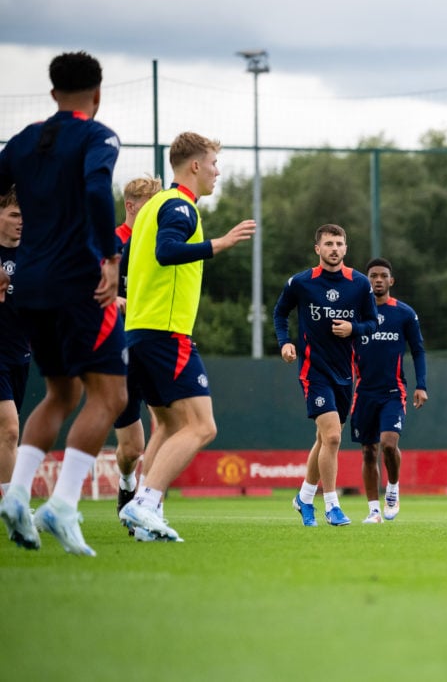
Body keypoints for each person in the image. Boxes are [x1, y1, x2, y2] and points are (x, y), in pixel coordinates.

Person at [0, 52, 126, 556]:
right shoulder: (98, 136)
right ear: (96, 95)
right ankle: (62, 504)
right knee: (111, 396)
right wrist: (111, 257)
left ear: (52, 93)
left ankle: (14, 497)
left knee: (60, 394)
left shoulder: (23, 139)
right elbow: (97, 189)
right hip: (80, 285)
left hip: (29, 287)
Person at [117, 131, 256, 542]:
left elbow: (132, 262)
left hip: (139, 331)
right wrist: (220, 243)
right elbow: (167, 251)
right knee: (202, 427)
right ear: (194, 165)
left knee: (170, 424)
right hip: (165, 332)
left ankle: (146, 515)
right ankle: (144, 504)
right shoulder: (179, 205)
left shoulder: (153, 205)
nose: (217, 171)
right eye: (213, 163)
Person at [274, 224, 377, 528]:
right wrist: (286, 342)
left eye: (339, 243)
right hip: (313, 370)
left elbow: (372, 321)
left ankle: (304, 498)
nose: (334, 248)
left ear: (346, 248)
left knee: (324, 439)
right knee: (332, 435)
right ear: (317, 249)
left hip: (345, 373)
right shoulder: (301, 283)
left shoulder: (359, 284)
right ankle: (332, 505)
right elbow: (280, 313)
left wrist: (353, 329)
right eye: (328, 243)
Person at [351, 258, 428, 523]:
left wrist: (421, 385)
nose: (378, 280)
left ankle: (393, 488)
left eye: (383, 276)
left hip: (393, 392)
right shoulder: (356, 312)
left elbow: (417, 350)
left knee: (388, 443)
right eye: (373, 276)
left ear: (391, 281)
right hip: (363, 393)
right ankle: (373, 510)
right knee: (368, 451)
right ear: (366, 280)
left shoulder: (404, 313)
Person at [110, 176, 164, 516]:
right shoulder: (111, 242)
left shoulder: (161, 241)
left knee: (168, 426)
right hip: (117, 349)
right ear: (131, 206)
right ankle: (127, 484)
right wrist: (117, 300)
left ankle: (148, 505)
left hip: (156, 344)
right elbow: (88, 290)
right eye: (148, 204)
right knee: (132, 447)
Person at [0, 190, 30, 497]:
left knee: (7, 436)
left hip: (21, 354)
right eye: (13, 215)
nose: (21, 222)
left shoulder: (33, 254)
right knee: (10, 430)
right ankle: (14, 507)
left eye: (24, 216)